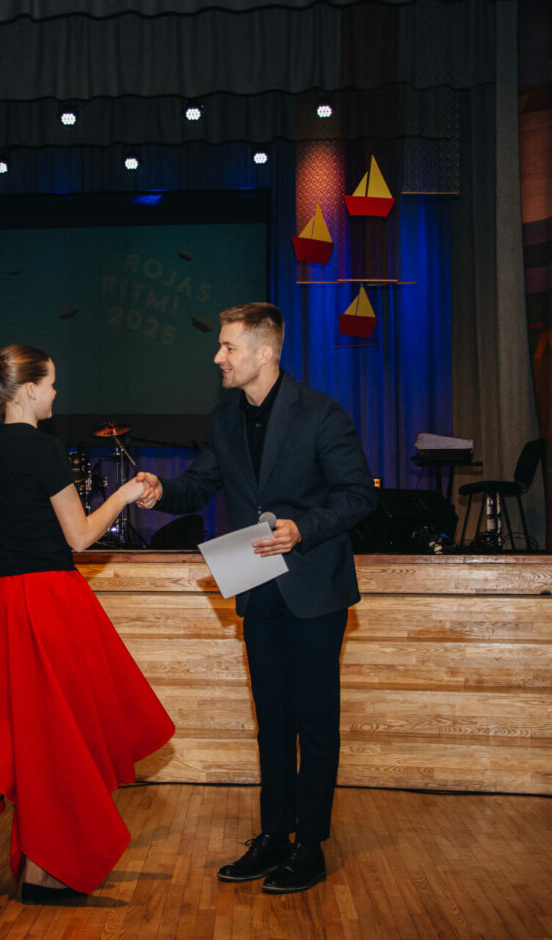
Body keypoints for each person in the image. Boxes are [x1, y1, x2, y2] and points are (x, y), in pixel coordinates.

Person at [136, 302, 376, 894]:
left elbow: (358, 496)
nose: (218, 357)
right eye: (220, 346)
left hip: (314, 589)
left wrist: (303, 528)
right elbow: (200, 485)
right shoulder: (225, 419)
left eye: (229, 347)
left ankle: (310, 845)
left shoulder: (320, 412)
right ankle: (274, 835)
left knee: (313, 721)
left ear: (265, 353)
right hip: (258, 586)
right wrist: (162, 490)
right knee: (272, 720)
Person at [0, 344, 174, 917]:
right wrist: (126, 493)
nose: (57, 394)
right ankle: (13, 867)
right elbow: (80, 537)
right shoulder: (44, 450)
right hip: (51, 599)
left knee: (11, 738)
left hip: (9, 597)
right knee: (59, 733)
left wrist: (3, 601)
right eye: (53, 384)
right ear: (31, 389)